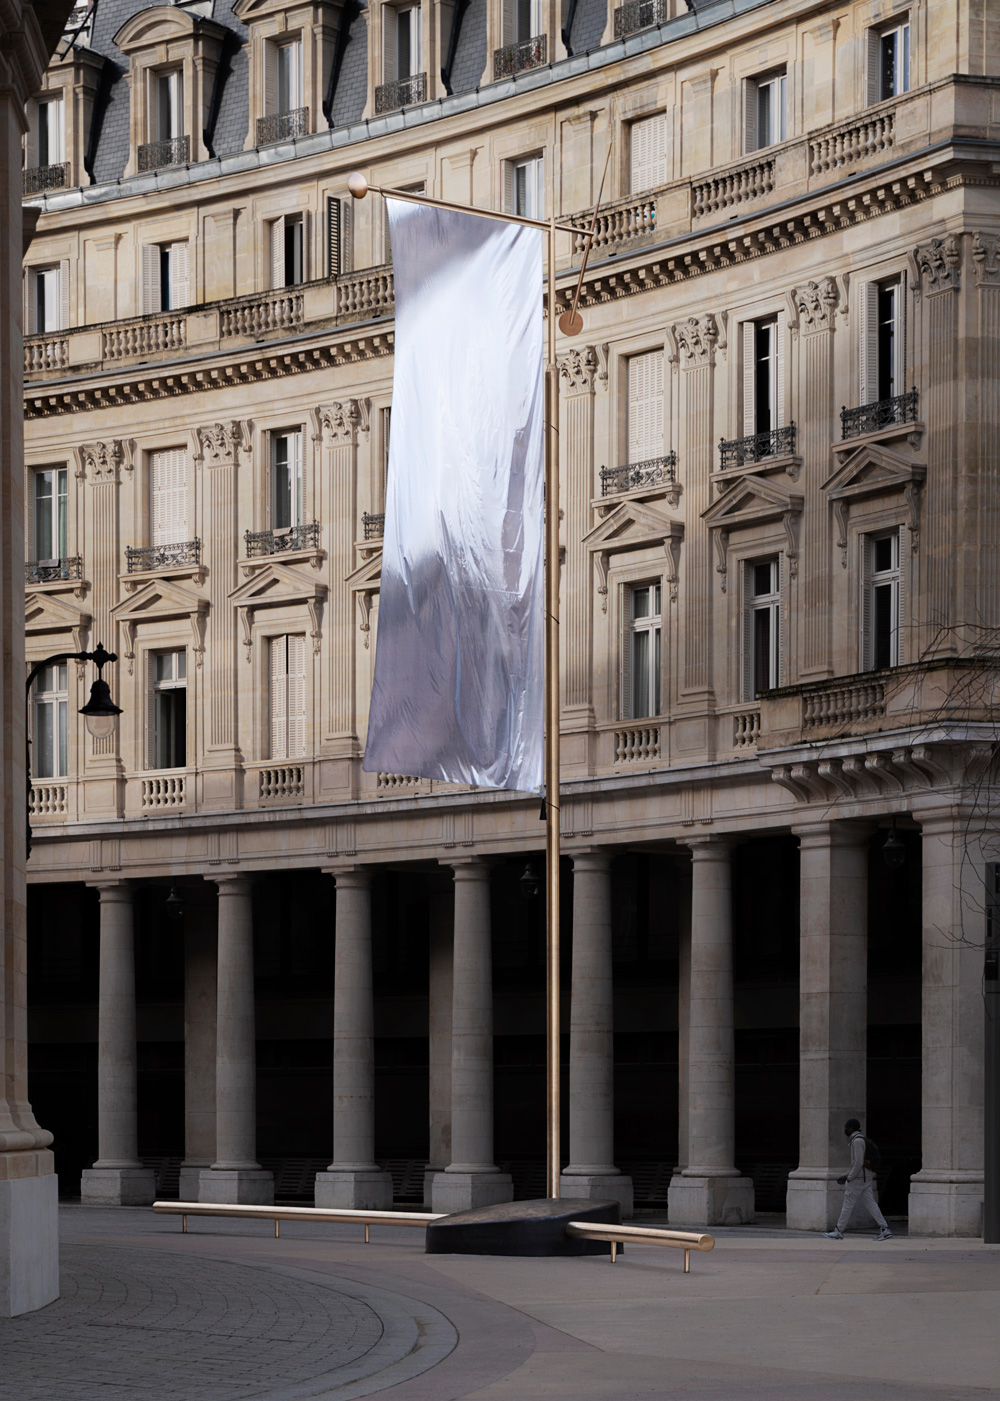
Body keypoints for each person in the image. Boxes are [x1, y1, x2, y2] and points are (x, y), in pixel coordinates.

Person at [822, 1118, 892, 1241]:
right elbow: (858, 1163)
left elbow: (858, 1162)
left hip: (858, 1178)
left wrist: (850, 1177)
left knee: (847, 1204)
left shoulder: (857, 1141)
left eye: (846, 1127)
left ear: (851, 1128)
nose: (845, 1130)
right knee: (871, 1204)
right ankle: (884, 1228)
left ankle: (838, 1231)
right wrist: (847, 1174)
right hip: (865, 1177)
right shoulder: (861, 1139)